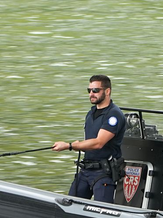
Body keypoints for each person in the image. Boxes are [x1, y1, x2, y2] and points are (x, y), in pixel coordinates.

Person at [52, 74, 126, 203]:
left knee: (103, 211)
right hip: (86, 170)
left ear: (107, 91)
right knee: (69, 205)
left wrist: (70, 146)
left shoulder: (113, 115)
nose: (91, 94)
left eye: (96, 90)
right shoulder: (91, 113)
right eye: (89, 90)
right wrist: (78, 145)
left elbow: (98, 143)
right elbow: (89, 141)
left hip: (103, 173)